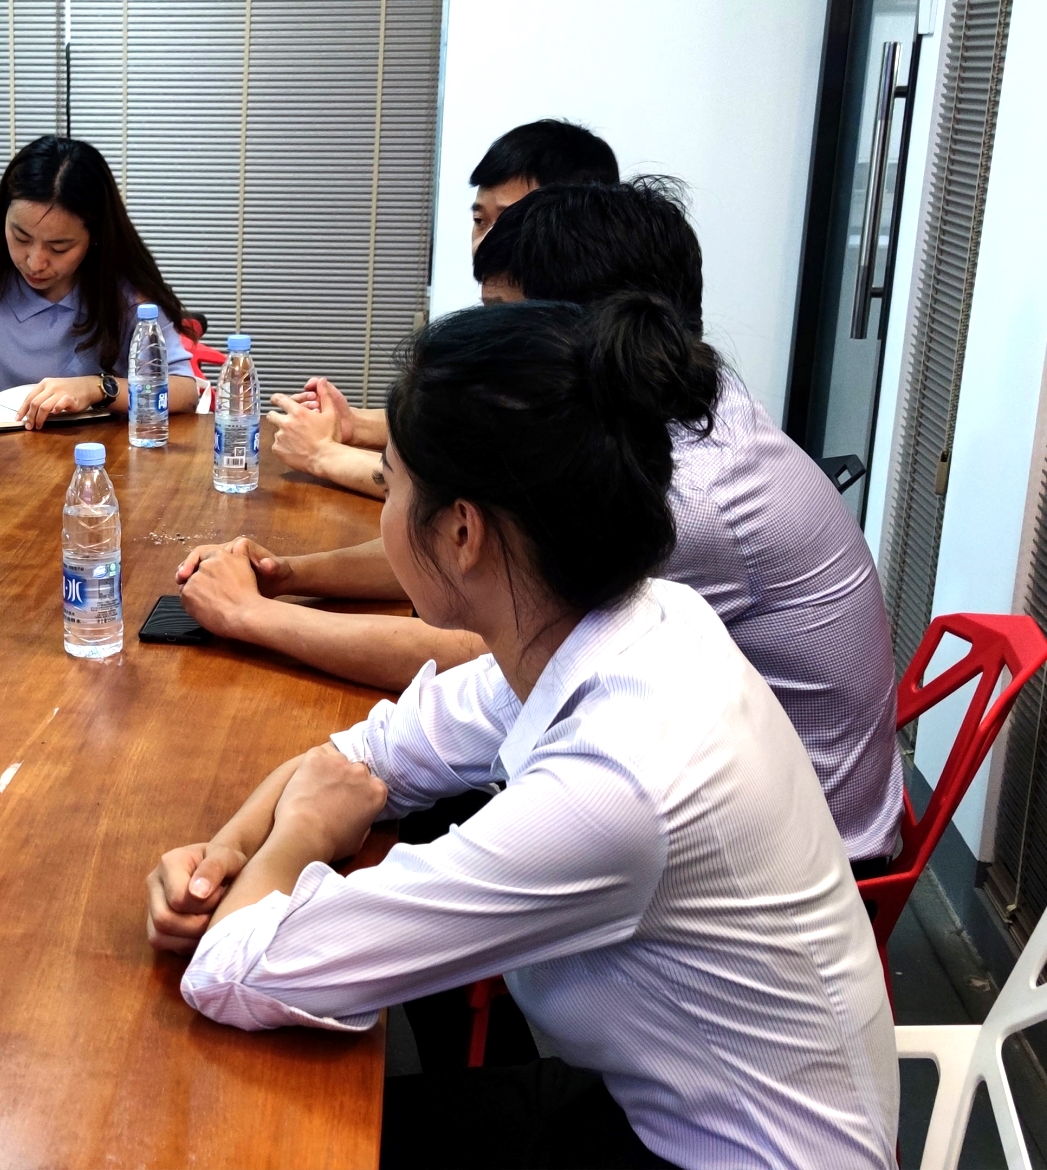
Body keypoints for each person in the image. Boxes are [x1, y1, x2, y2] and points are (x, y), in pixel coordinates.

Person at [148, 297, 899, 1169]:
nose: (384, 514)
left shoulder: (619, 782)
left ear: (462, 532)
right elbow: (369, 751)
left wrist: (296, 841)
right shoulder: (631, 619)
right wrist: (225, 856)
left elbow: (232, 972)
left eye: (391, 484)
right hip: (661, 1100)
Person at [180, 178, 904, 873]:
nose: (490, 348)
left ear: (576, 337)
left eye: (504, 322)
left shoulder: (675, 495)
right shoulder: (670, 412)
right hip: (704, 804)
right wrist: (290, 576)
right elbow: (456, 552)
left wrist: (253, 617)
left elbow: (478, 651)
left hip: (782, 856)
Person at [268, 118, 620, 496]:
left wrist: (323, 454)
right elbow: (472, 427)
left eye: (509, 222)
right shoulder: (519, 319)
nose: (485, 242)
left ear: (573, 221)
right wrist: (354, 424)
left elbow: (471, 490)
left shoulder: (590, 346)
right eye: (480, 220)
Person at [0, 135, 197, 429]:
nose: (35, 262)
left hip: (100, 458)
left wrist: (99, 388)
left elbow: (184, 390)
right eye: (21, 237)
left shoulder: (126, 298)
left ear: (95, 237)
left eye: (59, 248)